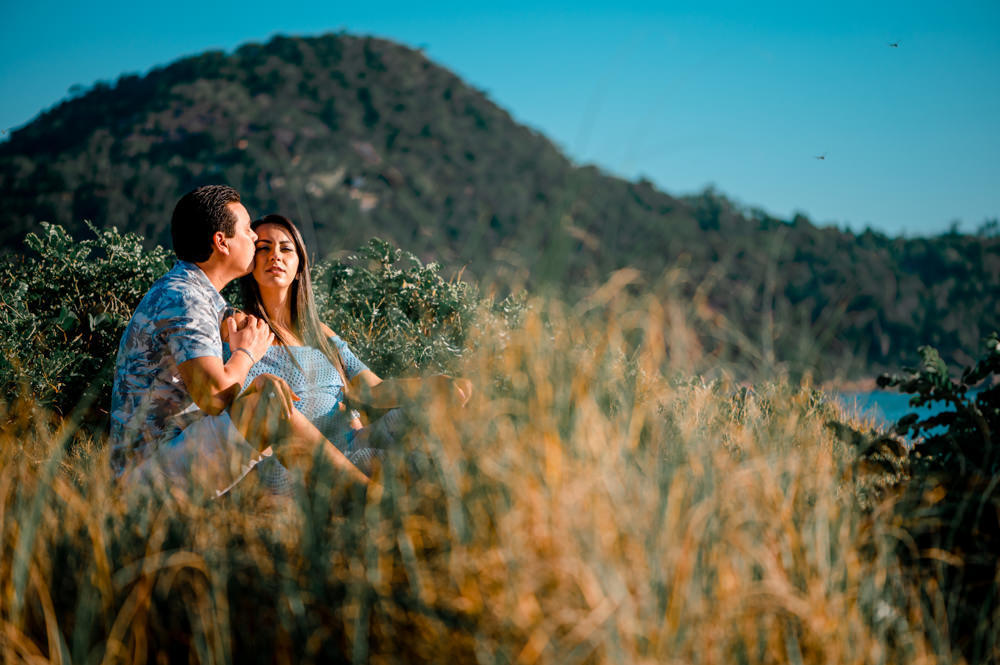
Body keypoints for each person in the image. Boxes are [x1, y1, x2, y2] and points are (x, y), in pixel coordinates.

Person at [109, 186, 369, 499]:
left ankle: (337, 499)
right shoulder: (184, 297)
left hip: (180, 452)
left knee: (268, 393)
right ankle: (362, 498)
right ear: (222, 242)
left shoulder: (203, 298)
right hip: (145, 475)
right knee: (268, 405)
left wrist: (260, 379)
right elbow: (214, 397)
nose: (254, 238)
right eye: (247, 230)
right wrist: (246, 353)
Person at [224, 213, 471, 472]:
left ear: (299, 266)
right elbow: (237, 405)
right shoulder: (243, 329)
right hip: (304, 461)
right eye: (263, 248)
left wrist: (433, 386)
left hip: (357, 440)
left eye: (286, 249)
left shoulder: (320, 333)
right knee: (410, 467)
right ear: (250, 262)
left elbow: (373, 390)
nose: (275, 255)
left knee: (441, 411)